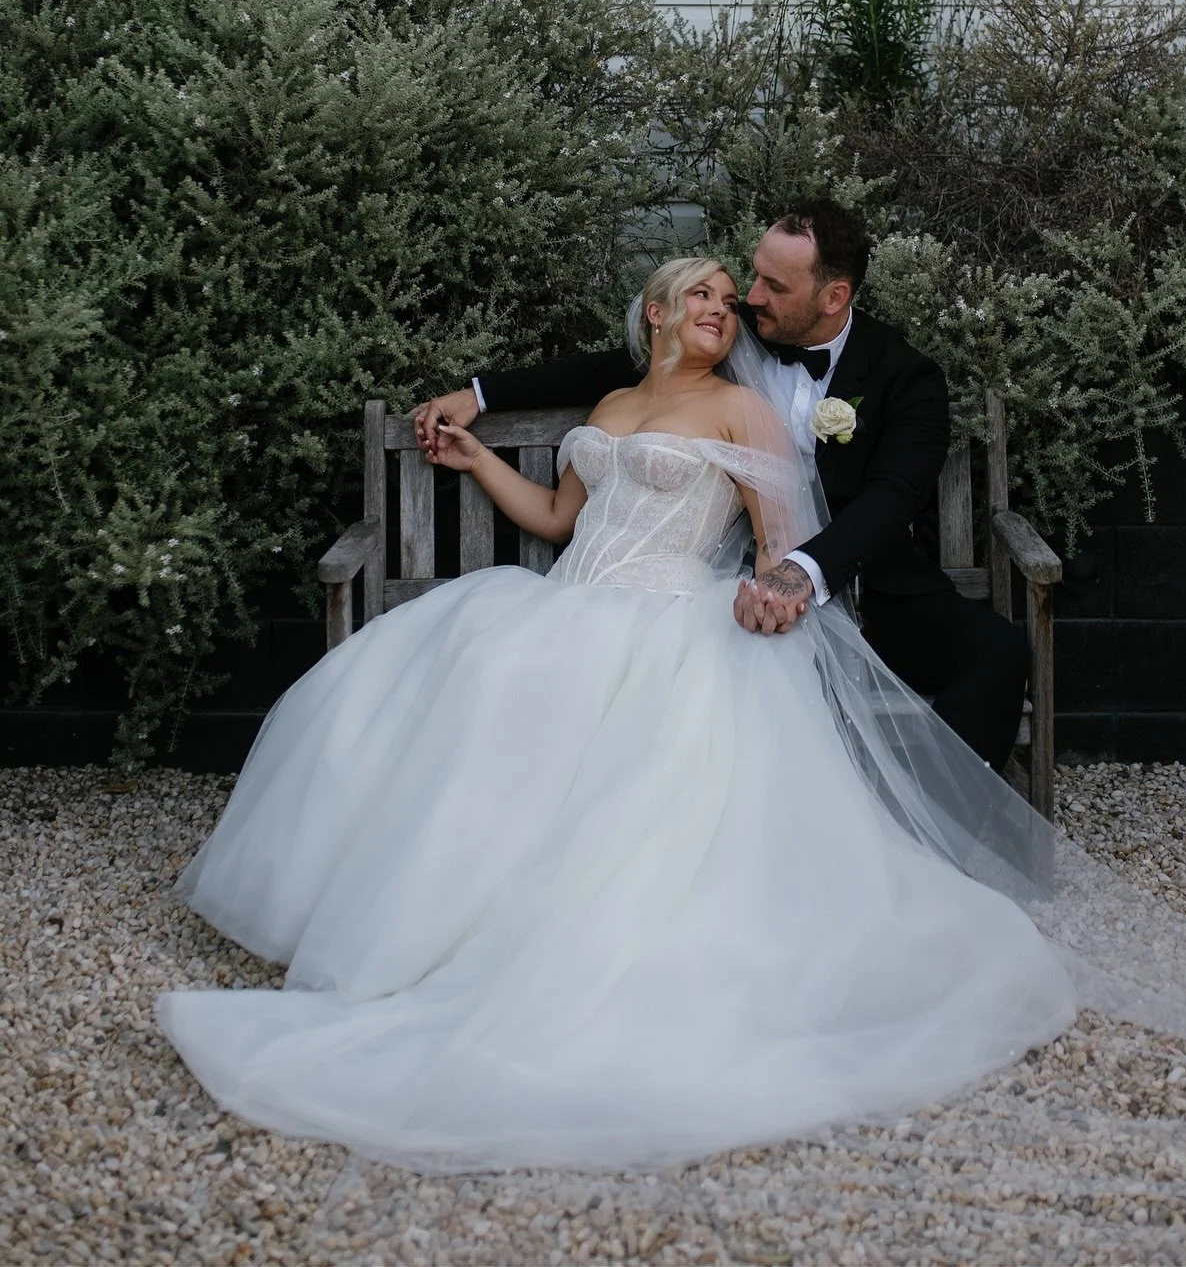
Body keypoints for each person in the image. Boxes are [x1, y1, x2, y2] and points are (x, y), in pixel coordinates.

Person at [157, 256, 1076, 1173]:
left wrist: (774, 592)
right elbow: (560, 520)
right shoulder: (607, 409)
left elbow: (779, 540)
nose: (723, 310)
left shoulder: (739, 409)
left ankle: (541, 952)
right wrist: (476, 454)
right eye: (705, 296)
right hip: (563, 601)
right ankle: (433, 928)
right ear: (658, 311)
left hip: (670, 618)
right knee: (467, 683)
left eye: (731, 298)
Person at [413, 198, 1029, 774]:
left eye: (771, 287)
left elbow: (894, 497)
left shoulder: (907, 378)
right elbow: (620, 367)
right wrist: (479, 394)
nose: (749, 300)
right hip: (721, 581)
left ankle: (936, 829)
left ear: (834, 295)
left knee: (997, 652)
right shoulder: (737, 335)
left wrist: (799, 575)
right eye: (749, 281)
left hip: (866, 585)